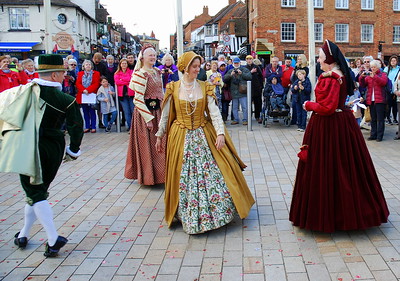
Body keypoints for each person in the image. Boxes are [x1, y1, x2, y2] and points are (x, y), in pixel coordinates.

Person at [289, 40, 389, 233]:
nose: (318, 61)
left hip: (329, 126)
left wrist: (309, 105)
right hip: (341, 124)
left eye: (320, 58)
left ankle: (331, 216)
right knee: (346, 166)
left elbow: (326, 107)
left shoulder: (333, 78)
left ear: (329, 59)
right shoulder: (336, 76)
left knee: (329, 167)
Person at [155, 51, 255, 234]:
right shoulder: (173, 87)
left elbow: (214, 112)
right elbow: (166, 115)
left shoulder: (205, 86)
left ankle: (218, 213)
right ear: (185, 67)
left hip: (203, 133)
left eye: (198, 66)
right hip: (181, 136)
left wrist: (220, 134)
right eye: (194, 67)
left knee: (213, 171)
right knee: (183, 176)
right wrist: (160, 135)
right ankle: (186, 214)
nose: (197, 69)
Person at [0, 54, 83, 256]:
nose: (65, 76)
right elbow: (76, 127)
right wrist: (73, 150)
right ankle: (24, 233)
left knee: (35, 192)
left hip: (28, 145)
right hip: (53, 148)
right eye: (63, 73)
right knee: (37, 192)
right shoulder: (67, 100)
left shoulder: (23, 92)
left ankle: (53, 239)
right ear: (54, 75)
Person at [124, 43, 166, 186]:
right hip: (146, 115)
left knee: (161, 143)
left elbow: (160, 93)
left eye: (154, 55)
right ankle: (149, 177)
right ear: (143, 57)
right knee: (149, 145)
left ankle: (161, 175)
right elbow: (138, 99)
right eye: (150, 55)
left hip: (158, 112)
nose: (153, 57)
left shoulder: (156, 71)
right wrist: (148, 118)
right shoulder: (140, 74)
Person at [359, 60, 388, 142]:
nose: (372, 68)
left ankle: (379, 136)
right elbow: (363, 85)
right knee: (373, 118)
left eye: (374, 67)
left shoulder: (383, 74)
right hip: (371, 100)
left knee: (380, 119)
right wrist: (362, 77)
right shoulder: (369, 76)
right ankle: (373, 134)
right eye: (371, 67)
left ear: (378, 67)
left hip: (380, 100)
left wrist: (374, 77)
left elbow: (383, 82)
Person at [223, 57, 252, 125]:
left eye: (237, 63)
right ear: (233, 63)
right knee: (234, 107)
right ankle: (236, 119)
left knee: (244, 107)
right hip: (234, 92)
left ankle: (245, 119)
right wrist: (231, 75)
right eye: (235, 63)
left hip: (243, 91)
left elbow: (249, 77)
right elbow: (225, 78)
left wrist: (241, 73)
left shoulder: (244, 69)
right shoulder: (231, 70)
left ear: (240, 63)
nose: (236, 64)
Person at [76, 59, 101, 133]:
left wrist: (88, 90)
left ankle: (93, 126)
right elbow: (78, 83)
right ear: (83, 66)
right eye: (86, 65)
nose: (88, 66)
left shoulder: (96, 73)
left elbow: (96, 83)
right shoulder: (80, 73)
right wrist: (83, 90)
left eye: (89, 64)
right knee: (85, 111)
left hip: (91, 94)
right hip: (83, 95)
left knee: (92, 111)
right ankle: (87, 126)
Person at [114, 58, 135, 131]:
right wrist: (127, 81)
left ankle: (135, 127)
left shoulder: (131, 72)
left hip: (131, 94)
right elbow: (117, 82)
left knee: (133, 111)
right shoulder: (117, 73)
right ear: (120, 64)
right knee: (126, 112)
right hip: (122, 96)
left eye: (125, 63)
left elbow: (132, 80)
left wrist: (122, 80)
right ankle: (130, 127)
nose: (124, 65)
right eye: (122, 63)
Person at [245, 55, 264, 123]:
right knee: (248, 103)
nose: (249, 60)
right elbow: (244, 76)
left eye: (250, 59)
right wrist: (251, 72)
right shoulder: (245, 67)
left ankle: (257, 116)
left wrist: (261, 86)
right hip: (248, 88)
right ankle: (249, 117)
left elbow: (261, 77)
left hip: (256, 88)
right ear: (246, 60)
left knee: (258, 103)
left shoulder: (256, 67)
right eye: (248, 59)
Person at [383, 55, 400, 125]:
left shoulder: (399, 69)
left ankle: (395, 118)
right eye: (392, 61)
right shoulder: (387, 69)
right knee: (388, 105)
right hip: (388, 89)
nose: (393, 62)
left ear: (397, 62)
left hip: (396, 89)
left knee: (395, 105)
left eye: (394, 61)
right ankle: (388, 118)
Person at [394, 73, 400, 140]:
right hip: (399, 98)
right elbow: (395, 83)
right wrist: (395, 91)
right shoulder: (399, 73)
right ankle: (399, 134)